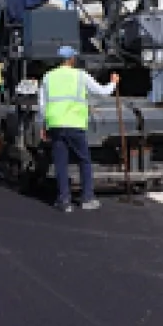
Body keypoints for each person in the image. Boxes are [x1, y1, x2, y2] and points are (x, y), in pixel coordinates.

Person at [38, 45, 120, 213]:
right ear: (72, 59)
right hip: (75, 125)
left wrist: (43, 125)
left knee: (61, 163)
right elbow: (102, 92)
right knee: (84, 160)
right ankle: (87, 198)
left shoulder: (48, 77)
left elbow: (42, 105)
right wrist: (113, 83)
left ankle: (64, 201)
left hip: (56, 126)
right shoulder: (80, 75)